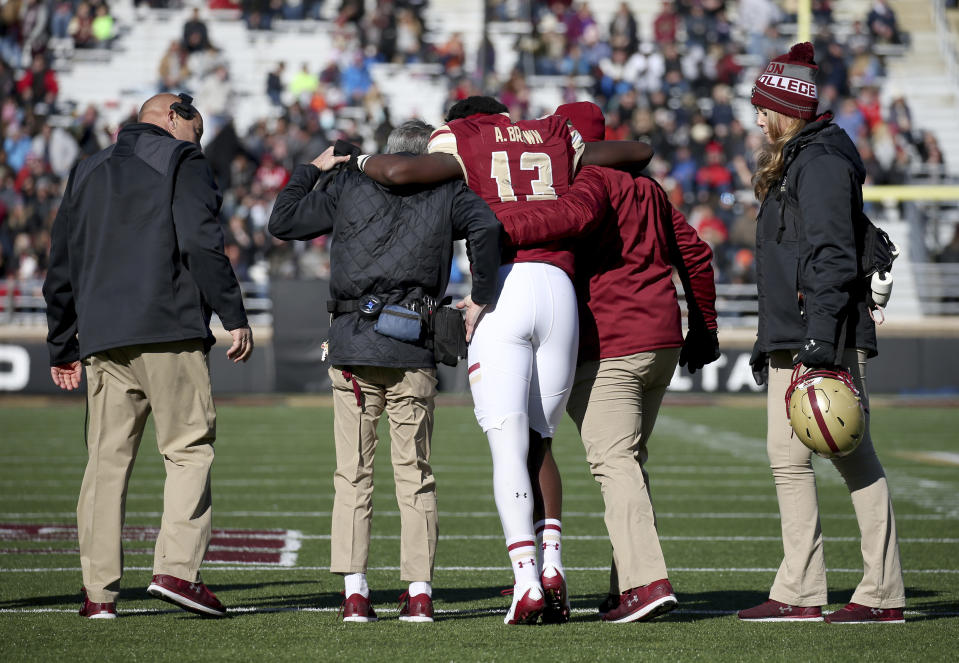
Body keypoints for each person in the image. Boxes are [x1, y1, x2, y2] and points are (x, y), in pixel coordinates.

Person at [357, 96, 652, 624]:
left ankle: (525, 584)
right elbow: (637, 151)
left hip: (505, 289)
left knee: (508, 444)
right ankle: (554, 568)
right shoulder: (550, 137)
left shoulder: (463, 140)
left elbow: (400, 170)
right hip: (560, 292)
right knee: (541, 442)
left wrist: (354, 161)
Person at [268, 120, 502, 623]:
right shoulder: (448, 190)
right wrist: (481, 296)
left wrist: (312, 168)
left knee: (352, 474)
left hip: (353, 342)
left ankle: (356, 593)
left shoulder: (351, 182)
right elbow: (488, 226)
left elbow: (282, 221)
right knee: (414, 475)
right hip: (413, 343)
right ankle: (418, 593)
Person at [496, 101, 720, 623]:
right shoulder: (648, 189)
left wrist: (498, 226)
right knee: (630, 462)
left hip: (614, 344)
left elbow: (565, 228)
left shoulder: (587, 186)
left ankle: (647, 584)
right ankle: (626, 585)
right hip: (662, 341)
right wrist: (703, 326)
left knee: (612, 462)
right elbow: (697, 254)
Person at [42, 93, 254, 619]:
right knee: (187, 450)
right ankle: (177, 572)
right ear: (171, 116)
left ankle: (98, 595)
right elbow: (202, 242)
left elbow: (61, 261)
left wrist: (62, 341)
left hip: (101, 339)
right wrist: (234, 314)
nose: (198, 140)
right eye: (196, 128)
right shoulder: (182, 161)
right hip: (167, 328)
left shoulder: (86, 169)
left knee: (104, 466)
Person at [741, 43, 905, 623]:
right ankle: (800, 590)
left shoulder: (821, 162)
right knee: (787, 461)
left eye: (763, 107)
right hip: (795, 335)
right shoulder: (800, 159)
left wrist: (820, 340)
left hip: (824, 335)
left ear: (784, 108)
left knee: (853, 458)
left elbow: (832, 258)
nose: (757, 118)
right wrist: (774, 342)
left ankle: (883, 593)